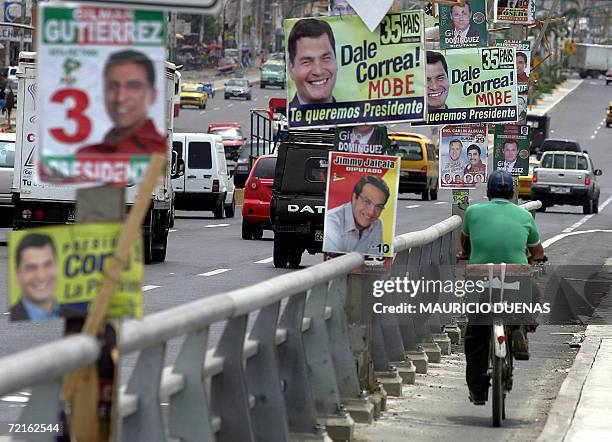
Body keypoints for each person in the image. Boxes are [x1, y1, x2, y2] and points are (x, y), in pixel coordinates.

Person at [460, 170, 545, 405]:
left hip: (481, 281)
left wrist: (467, 254)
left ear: (487, 193)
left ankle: (477, 390)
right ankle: (521, 326)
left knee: (476, 335)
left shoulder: (473, 211)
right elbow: (537, 252)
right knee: (534, 293)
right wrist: (533, 259)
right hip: (514, 280)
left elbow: (465, 242)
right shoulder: (523, 215)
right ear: (512, 193)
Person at [76, 50, 165, 158]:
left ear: (153, 95)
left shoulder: (163, 153)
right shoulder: (86, 155)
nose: (120, 98)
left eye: (133, 86)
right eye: (113, 87)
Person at [324, 175, 389, 255]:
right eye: (367, 202)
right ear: (354, 197)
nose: (371, 212)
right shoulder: (332, 221)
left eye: (379, 206)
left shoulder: (376, 224)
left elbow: (376, 258)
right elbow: (334, 262)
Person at [288, 18, 338, 106]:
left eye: (326, 58)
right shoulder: (283, 119)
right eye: (307, 62)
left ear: (336, 62)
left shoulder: (359, 117)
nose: (318, 71)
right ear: (291, 69)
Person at [10, 233, 60, 320]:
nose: (41, 276)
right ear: (18, 275)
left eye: (48, 265)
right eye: (31, 268)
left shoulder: (78, 316)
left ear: (57, 267)